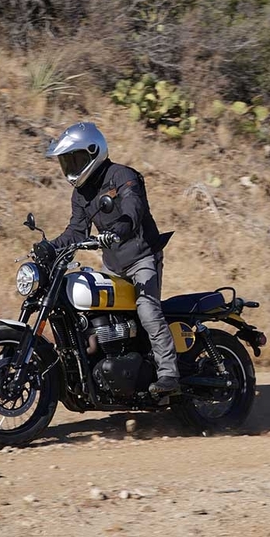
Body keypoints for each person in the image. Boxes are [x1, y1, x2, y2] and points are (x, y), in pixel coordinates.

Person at [45, 121, 180, 394]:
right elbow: (76, 230)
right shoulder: (80, 194)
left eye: (76, 159)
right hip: (113, 264)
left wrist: (118, 229)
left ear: (94, 152)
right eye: (66, 162)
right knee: (90, 313)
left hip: (142, 257)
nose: (70, 167)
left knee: (148, 311)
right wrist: (49, 247)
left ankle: (169, 375)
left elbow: (134, 210)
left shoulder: (123, 176)